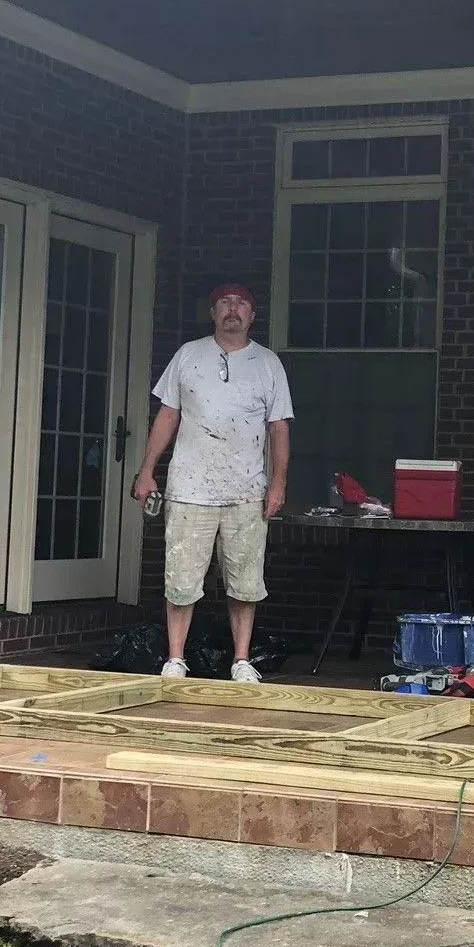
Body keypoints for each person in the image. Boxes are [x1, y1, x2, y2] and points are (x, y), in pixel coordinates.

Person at [131, 282, 293, 682]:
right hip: (189, 488)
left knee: (245, 580)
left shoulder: (268, 363)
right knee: (181, 578)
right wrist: (148, 469)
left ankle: (241, 660)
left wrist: (278, 484)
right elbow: (168, 415)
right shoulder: (188, 355)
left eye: (241, 303)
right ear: (213, 312)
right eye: (224, 302)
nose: (232, 309)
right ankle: (175, 659)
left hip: (246, 489)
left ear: (252, 315)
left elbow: (278, 429)